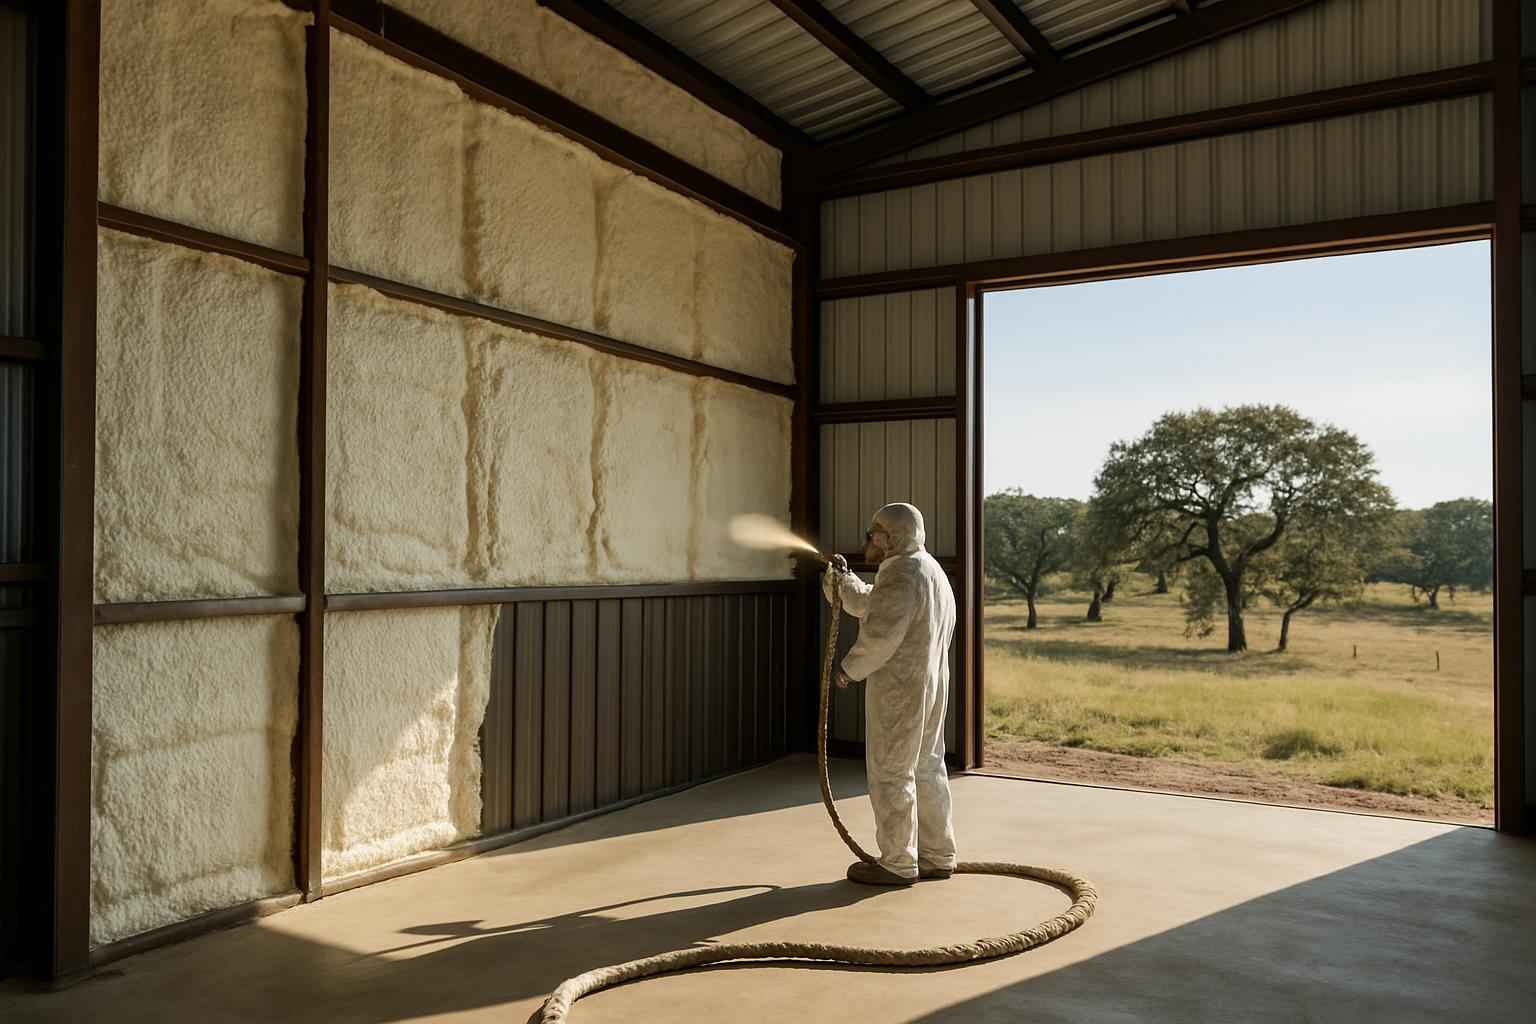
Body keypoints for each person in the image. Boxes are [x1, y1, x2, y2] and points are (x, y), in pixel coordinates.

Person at [823, 502, 958, 886]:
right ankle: (937, 854)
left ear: (892, 535)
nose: (869, 541)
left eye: (874, 534)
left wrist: (850, 669)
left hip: (900, 689)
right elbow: (874, 606)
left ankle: (897, 861)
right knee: (928, 766)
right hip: (930, 684)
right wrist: (843, 586)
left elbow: (882, 634)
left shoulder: (902, 573)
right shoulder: (929, 570)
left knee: (891, 770)